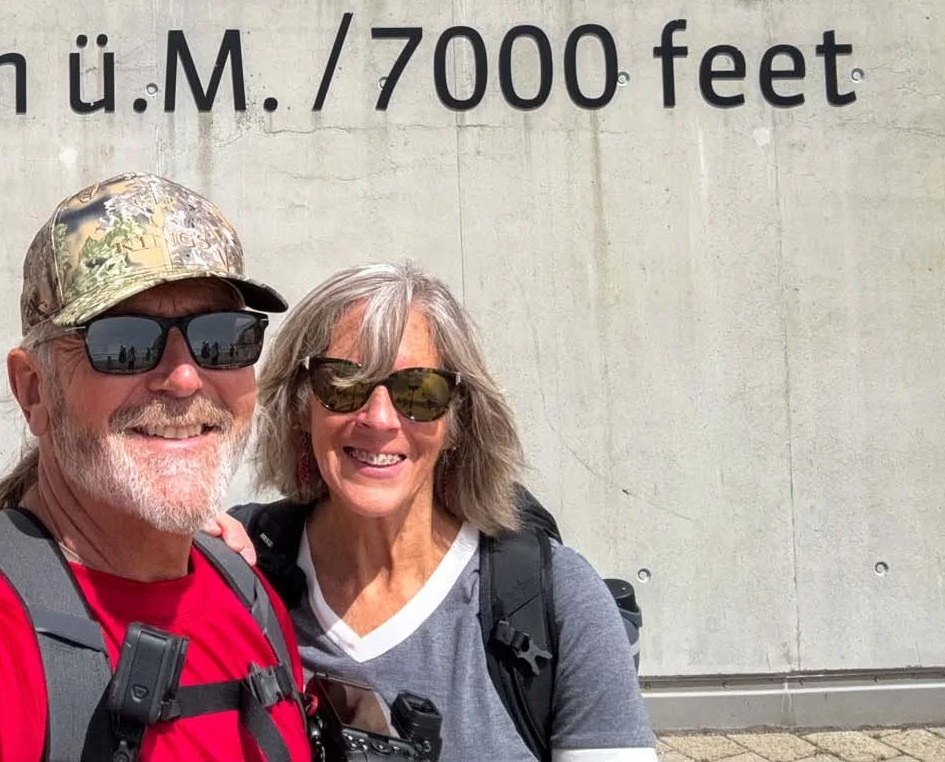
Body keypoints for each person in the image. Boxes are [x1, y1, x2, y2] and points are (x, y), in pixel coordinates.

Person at [0, 171, 313, 761]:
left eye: (221, 337)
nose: (185, 378)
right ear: (33, 390)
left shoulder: (249, 596)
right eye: (123, 343)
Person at [233, 262, 656, 762]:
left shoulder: (561, 599)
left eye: (419, 392)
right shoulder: (240, 568)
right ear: (302, 406)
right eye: (343, 384)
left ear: (458, 420)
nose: (380, 419)